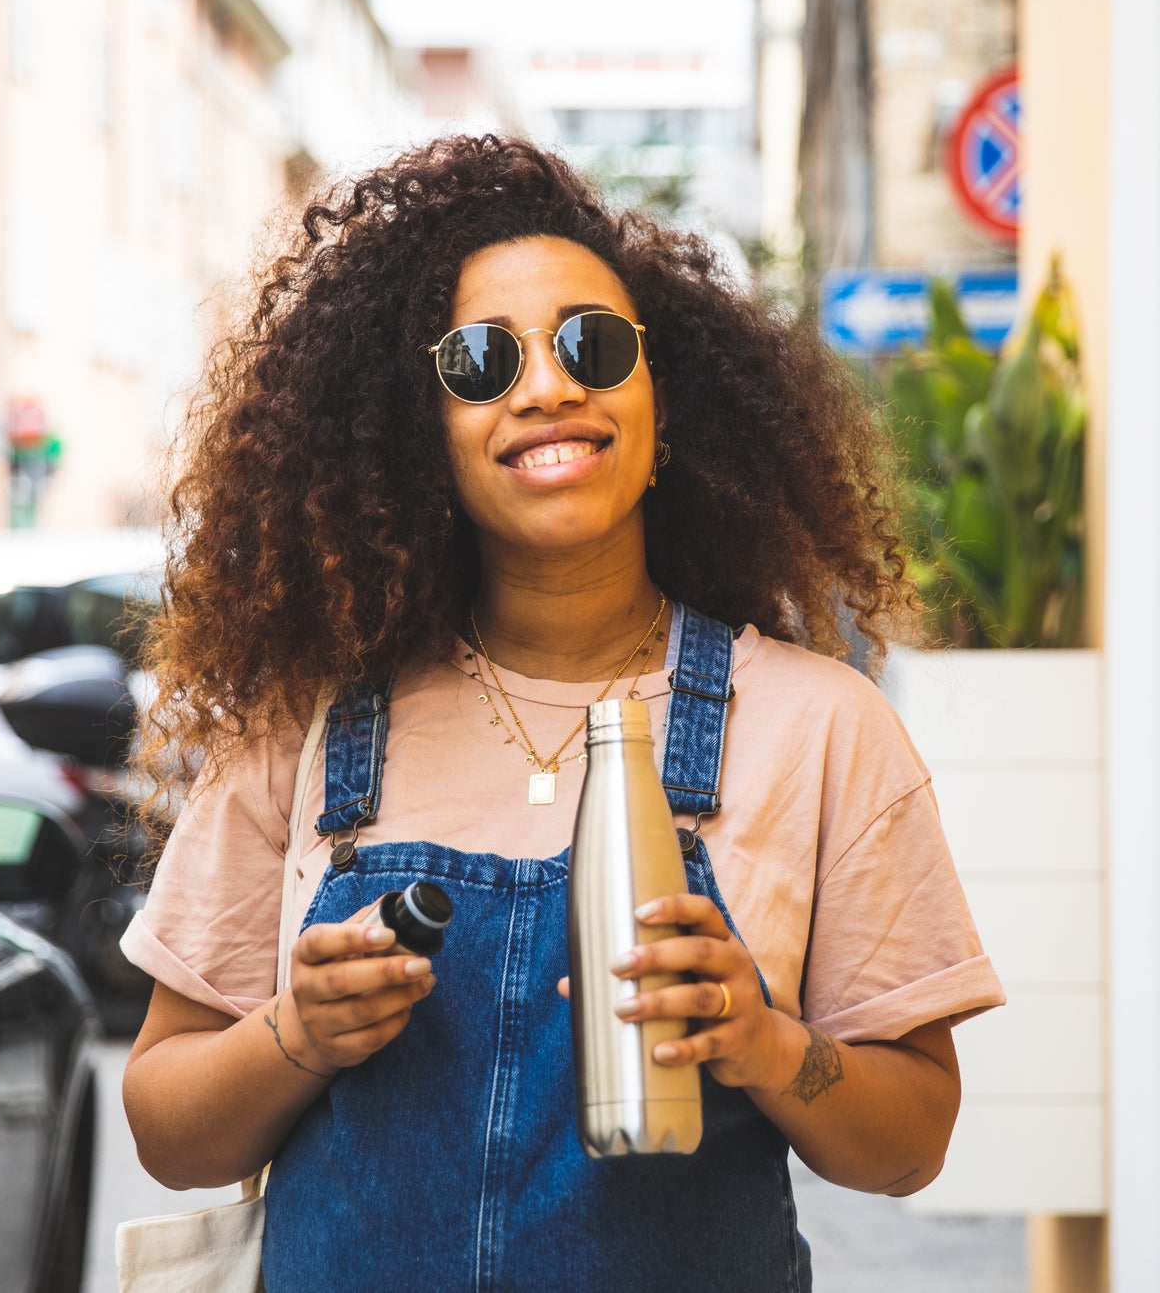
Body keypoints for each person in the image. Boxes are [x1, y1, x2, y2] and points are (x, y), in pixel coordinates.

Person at [120, 135, 1005, 1289]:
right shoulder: (310, 728)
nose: (548, 386)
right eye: (482, 361)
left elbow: (911, 1141)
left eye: (593, 344)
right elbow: (164, 1126)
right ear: (420, 438)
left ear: (664, 405)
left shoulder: (819, 728)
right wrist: (298, 1032)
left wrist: (766, 1042)